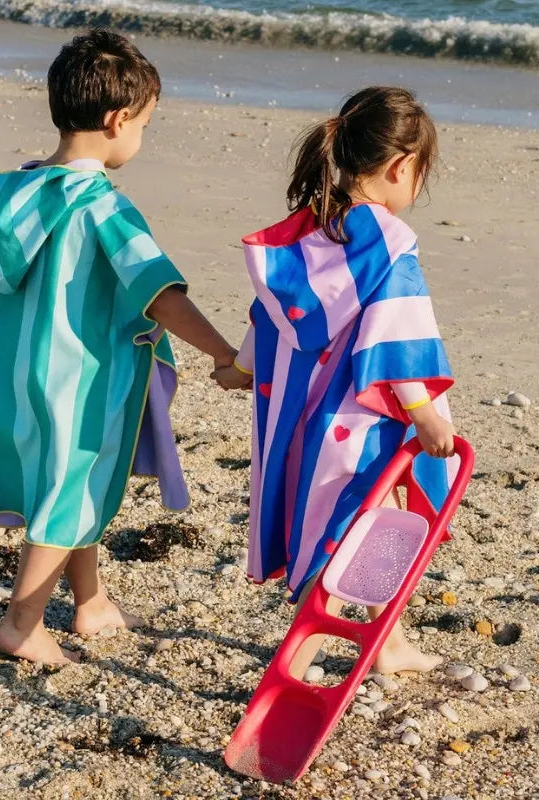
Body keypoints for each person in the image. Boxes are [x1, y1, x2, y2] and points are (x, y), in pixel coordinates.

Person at [0, 29, 236, 665]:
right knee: (74, 488)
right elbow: (160, 292)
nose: (141, 136)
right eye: (144, 123)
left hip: (14, 376)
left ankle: (90, 600)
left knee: (64, 484)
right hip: (81, 382)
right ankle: (22, 620)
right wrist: (223, 354)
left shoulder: (14, 196)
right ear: (118, 121)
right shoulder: (102, 205)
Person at [214, 86, 459, 678]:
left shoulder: (302, 234)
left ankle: (390, 642)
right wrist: (424, 410)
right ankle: (294, 664)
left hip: (299, 418)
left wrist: (240, 369)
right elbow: (394, 332)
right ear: (402, 166)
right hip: (358, 416)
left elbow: (270, 312)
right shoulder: (390, 242)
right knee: (354, 521)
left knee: (351, 516)